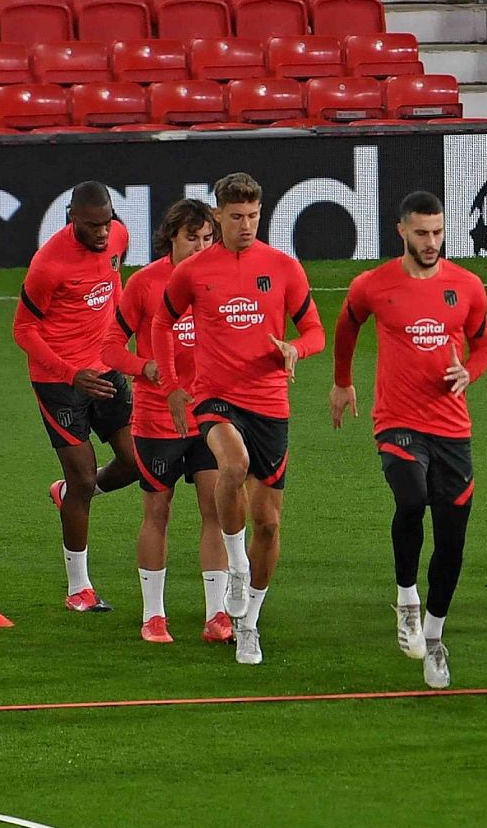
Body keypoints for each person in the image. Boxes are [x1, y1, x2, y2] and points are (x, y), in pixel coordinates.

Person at [153, 172, 325, 666]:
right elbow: (163, 322)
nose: (246, 225)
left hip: (270, 402)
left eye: (253, 216)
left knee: (269, 525)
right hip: (216, 397)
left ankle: (248, 623)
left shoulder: (283, 267)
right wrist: (171, 386)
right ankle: (235, 567)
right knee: (232, 464)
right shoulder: (193, 271)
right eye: (236, 217)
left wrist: (296, 348)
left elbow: (315, 329)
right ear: (218, 216)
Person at [332, 191, 487, 689]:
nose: (431, 242)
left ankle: (435, 635)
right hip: (397, 421)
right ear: (401, 230)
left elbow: (484, 344)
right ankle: (406, 598)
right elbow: (347, 324)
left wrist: (471, 372)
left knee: (453, 539)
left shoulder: (467, 286)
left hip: (452, 429)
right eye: (421, 233)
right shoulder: (373, 285)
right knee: (411, 496)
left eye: (438, 232)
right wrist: (342, 381)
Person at [101, 200, 232, 643]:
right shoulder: (144, 284)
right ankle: (153, 616)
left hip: (210, 416)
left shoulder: (222, 277)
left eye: (207, 237)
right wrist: (145, 368)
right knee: (158, 512)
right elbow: (110, 348)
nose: (200, 246)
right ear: (171, 237)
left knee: (215, 510)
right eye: (191, 237)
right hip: (157, 419)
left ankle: (217, 614)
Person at [13, 181, 138, 612]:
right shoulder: (48, 265)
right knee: (85, 478)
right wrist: (70, 373)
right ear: (72, 217)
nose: (103, 233)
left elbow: (115, 285)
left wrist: (120, 345)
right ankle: (78, 588)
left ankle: (66, 495)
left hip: (105, 369)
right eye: (93, 225)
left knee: (137, 463)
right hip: (59, 380)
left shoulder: (119, 236)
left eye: (106, 223)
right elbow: (22, 331)